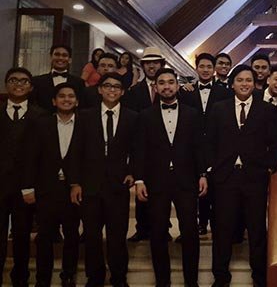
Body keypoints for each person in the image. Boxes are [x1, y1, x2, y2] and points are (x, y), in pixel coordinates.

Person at [205, 64, 277, 287]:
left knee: (257, 230)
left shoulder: (266, 109)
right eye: (240, 80)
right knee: (222, 229)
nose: (244, 84)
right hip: (225, 178)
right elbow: (209, 141)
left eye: (248, 80)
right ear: (232, 84)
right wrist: (212, 168)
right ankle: (221, 277)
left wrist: (269, 167)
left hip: (254, 178)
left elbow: (275, 142)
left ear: (254, 83)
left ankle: (259, 276)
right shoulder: (219, 108)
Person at [134, 68, 208, 287]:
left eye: (170, 82)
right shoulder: (144, 116)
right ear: (156, 87)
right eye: (162, 83)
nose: (166, 86)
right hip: (156, 181)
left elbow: (199, 147)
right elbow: (139, 150)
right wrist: (139, 179)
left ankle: (191, 282)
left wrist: (202, 174)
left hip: (186, 180)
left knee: (190, 232)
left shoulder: (192, 114)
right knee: (157, 233)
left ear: (177, 86)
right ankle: (162, 281)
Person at [68, 72, 137, 287]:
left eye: (116, 86)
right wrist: (75, 183)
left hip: (118, 185)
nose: (112, 90)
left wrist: (132, 171)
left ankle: (119, 276)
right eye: (107, 85)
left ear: (122, 91)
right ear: (99, 89)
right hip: (90, 185)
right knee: (91, 235)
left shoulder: (132, 117)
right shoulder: (84, 116)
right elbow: (75, 150)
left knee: (117, 235)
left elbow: (138, 149)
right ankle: (95, 276)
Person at [23, 83, 81, 287]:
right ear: (54, 101)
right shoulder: (41, 124)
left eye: (71, 96)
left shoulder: (85, 124)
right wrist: (28, 187)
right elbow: (30, 157)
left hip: (73, 189)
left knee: (72, 235)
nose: (66, 99)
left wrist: (79, 183)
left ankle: (68, 275)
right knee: (45, 236)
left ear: (77, 101)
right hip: (46, 189)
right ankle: (43, 278)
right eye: (62, 96)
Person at [0, 67, 46, 287]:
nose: (18, 84)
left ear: (31, 86)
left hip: (26, 188)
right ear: (6, 84)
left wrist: (34, 186)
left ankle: (20, 277)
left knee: (21, 234)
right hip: (0, 185)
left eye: (24, 81)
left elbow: (44, 155)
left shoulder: (41, 115)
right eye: (13, 80)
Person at [179, 53, 231, 235]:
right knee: (195, 186)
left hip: (216, 146)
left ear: (214, 69)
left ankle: (215, 224)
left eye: (209, 66)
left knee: (214, 186)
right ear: (196, 68)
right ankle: (199, 223)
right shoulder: (186, 92)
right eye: (202, 66)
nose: (206, 70)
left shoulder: (225, 92)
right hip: (191, 146)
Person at [124, 47, 166, 242]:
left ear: (161, 64)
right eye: (148, 63)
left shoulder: (172, 89)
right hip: (142, 149)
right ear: (142, 66)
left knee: (163, 192)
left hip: (165, 150)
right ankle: (141, 229)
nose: (152, 66)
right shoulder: (133, 92)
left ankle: (163, 229)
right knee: (142, 190)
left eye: (155, 62)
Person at [31, 44, 85, 113]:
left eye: (64, 55)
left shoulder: (79, 82)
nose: (60, 58)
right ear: (51, 57)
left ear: (70, 60)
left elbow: (81, 106)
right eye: (57, 54)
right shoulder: (37, 81)